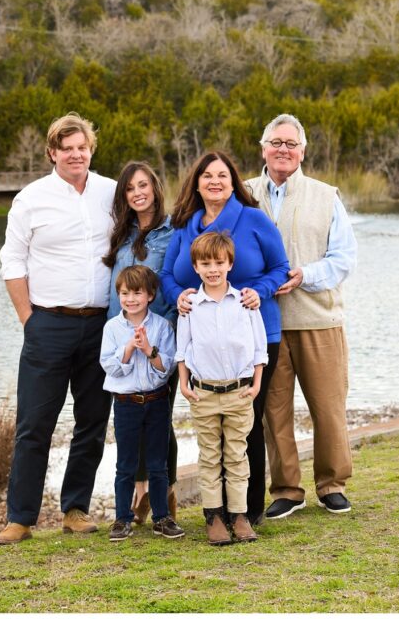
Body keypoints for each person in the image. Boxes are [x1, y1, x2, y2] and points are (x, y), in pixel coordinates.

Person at [0, 112, 116, 545]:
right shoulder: (31, 199)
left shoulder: (110, 193)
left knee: (92, 420)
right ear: (53, 153)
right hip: (48, 322)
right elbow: (12, 262)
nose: (76, 154)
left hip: (100, 323)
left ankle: (75, 509)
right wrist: (30, 320)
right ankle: (20, 518)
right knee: (34, 422)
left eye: (82, 147)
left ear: (90, 149)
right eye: (67, 149)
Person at [160, 150, 289, 525]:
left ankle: (247, 512)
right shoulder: (184, 224)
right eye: (207, 176)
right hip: (202, 340)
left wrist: (260, 291)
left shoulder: (253, 220)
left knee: (247, 422)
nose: (214, 181)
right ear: (196, 183)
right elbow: (169, 275)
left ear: (233, 182)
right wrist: (177, 296)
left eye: (222, 175)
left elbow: (280, 267)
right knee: (211, 431)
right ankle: (215, 513)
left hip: (253, 333)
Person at [246, 114, 358, 517]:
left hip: (318, 320)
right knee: (273, 412)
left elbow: (344, 259)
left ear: (303, 151)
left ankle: (332, 483)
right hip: (264, 325)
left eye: (291, 144)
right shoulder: (243, 193)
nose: (283, 150)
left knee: (328, 407)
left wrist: (304, 275)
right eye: (276, 142)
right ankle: (287, 489)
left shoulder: (326, 195)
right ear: (263, 148)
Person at [176, 232, 268, 545]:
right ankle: (214, 516)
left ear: (229, 264)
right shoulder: (190, 306)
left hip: (239, 393)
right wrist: (183, 384)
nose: (213, 268)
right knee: (210, 456)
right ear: (196, 267)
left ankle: (239, 516)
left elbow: (259, 349)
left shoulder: (245, 302)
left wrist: (256, 385)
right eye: (205, 263)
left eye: (219, 262)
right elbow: (182, 349)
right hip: (203, 393)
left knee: (237, 456)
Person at [102, 161, 178, 524]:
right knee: (132, 418)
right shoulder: (122, 233)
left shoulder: (172, 232)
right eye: (130, 188)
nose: (138, 193)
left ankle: (166, 497)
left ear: (155, 188)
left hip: (159, 338)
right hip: (120, 336)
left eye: (143, 185)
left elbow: (178, 279)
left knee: (162, 420)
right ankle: (140, 495)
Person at [99, 265, 182, 542]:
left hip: (156, 400)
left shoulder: (161, 326)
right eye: (124, 293)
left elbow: (166, 367)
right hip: (125, 403)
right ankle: (122, 518)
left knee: (158, 464)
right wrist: (129, 348)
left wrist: (148, 350)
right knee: (126, 463)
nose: (130, 299)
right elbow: (110, 366)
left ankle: (162, 518)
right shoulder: (112, 328)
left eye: (137, 293)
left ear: (150, 295)